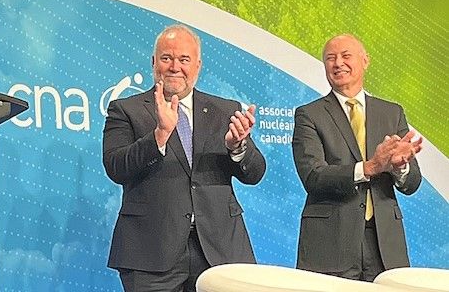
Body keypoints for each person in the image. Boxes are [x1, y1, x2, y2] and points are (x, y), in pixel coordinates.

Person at [103, 24, 266, 291]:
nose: (174, 67)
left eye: (184, 59)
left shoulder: (224, 110)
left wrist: (237, 146)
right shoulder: (126, 109)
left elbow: (255, 173)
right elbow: (116, 167)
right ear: (154, 62)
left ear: (198, 66)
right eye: (167, 58)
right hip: (151, 253)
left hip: (220, 250)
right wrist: (159, 135)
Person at [292, 34, 422, 281]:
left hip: (385, 245)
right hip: (331, 243)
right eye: (330, 58)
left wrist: (400, 167)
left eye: (346, 56)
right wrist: (369, 167)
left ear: (365, 61)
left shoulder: (391, 113)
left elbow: (412, 183)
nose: (338, 63)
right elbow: (313, 176)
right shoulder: (309, 114)